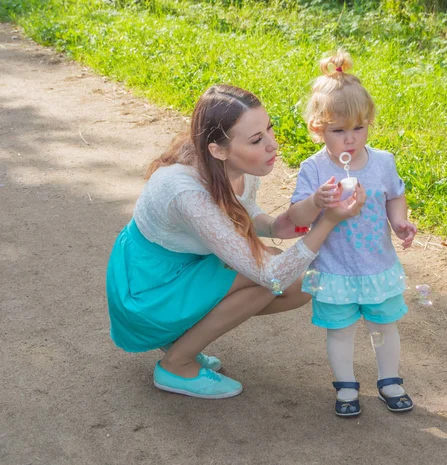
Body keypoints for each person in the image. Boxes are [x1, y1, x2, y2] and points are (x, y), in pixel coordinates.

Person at [106, 84, 365, 400]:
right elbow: (272, 276)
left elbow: (252, 216)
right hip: (148, 288)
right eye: (257, 139)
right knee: (271, 279)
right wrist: (327, 223)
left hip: (186, 268)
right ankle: (177, 364)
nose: (272, 145)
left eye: (269, 129)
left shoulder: (238, 163)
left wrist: (297, 216)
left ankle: (183, 340)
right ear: (218, 149)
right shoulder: (185, 191)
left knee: (294, 281)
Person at [289, 50, 417, 416]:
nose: (350, 139)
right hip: (334, 269)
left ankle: (389, 379)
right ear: (318, 128)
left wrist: (399, 222)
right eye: (338, 130)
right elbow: (297, 215)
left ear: (369, 122)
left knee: (383, 326)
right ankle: (345, 386)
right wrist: (316, 201)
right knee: (340, 331)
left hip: (377, 265)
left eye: (358, 128)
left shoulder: (382, 162)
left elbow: (395, 194)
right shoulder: (313, 169)